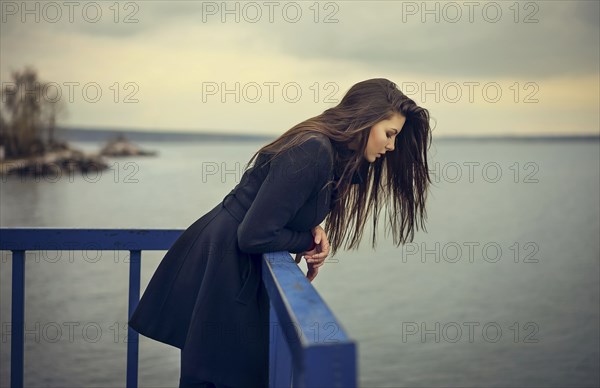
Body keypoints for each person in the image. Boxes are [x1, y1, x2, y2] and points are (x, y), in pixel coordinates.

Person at [127, 78, 433, 388]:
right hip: (226, 259)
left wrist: (310, 228)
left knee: (219, 372)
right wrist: (305, 241)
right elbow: (254, 236)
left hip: (229, 258)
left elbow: (279, 207)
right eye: (389, 134)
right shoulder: (314, 149)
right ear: (364, 119)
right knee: (217, 374)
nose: (391, 146)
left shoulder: (327, 153)